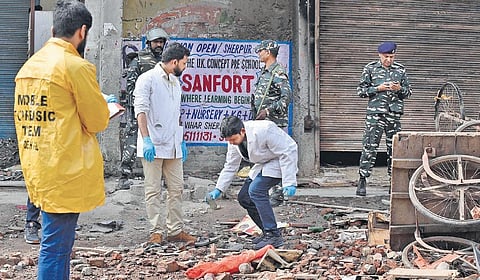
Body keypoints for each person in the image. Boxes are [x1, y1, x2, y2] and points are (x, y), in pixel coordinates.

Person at [14, 1, 110, 279]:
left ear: (54, 29)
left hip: (38, 169)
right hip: (66, 171)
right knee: (55, 248)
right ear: (82, 32)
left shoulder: (29, 67)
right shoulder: (75, 67)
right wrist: (106, 107)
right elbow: (97, 121)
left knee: (57, 246)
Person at [23, 93, 117, 245]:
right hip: (46, 141)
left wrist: (102, 99)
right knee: (39, 184)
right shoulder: (45, 85)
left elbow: (82, 97)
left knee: (65, 183)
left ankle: (64, 223)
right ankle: (32, 224)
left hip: (66, 143)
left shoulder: (70, 79)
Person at [133, 42, 194, 245]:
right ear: (174, 62)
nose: (185, 67)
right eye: (184, 63)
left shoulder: (176, 83)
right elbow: (140, 111)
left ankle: (175, 230)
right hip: (153, 143)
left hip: (173, 144)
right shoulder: (147, 79)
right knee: (153, 190)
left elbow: (176, 114)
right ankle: (155, 231)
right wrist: (147, 139)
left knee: (177, 188)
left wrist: (181, 138)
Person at [206, 116, 298, 250]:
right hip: (264, 163)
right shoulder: (234, 141)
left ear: (242, 131)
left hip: (280, 161)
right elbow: (231, 165)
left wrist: (289, 182)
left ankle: (273, 234)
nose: (231, 143)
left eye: (232, 139)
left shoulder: (264, 129)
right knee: (244, 197)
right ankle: (267, 232)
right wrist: (219, 189)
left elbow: (288, 150)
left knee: (256, 190)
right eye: (228, 141)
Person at [356, 41, 412, 196]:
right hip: (375, 115)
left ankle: (392, 182)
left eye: (391, 56)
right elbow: (360, 91)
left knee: (393, 149)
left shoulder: (400, 70)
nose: (389, 59)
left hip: (393, 116)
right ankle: (362, 180)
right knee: (369, 147)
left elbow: (408, 92)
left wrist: (399, 89)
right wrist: (377, 89)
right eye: (386, 56)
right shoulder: (370, 68)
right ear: (380, 55)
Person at [118, 27, 169, 190]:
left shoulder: (166, 61)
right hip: (139, 108)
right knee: (132, 140)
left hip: (159, 109)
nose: (159, 45)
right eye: (156, 42)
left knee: (161, 139)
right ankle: (124, 175)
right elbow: (131, 86)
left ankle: (163, 176)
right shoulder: (138, 59)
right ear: (149, 43)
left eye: (161, 42)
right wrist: (138, 105)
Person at [252, 40, 293, 206]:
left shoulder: (278, 73)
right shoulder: (265, 72)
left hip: (274, 122)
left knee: (279, 156)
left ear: (268, 52)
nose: (259, 53)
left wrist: (268, 111)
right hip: (264, 122)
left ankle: (278, 193)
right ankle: (267, 189)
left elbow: (287, 97)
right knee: (267, 157)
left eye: (261, 51)